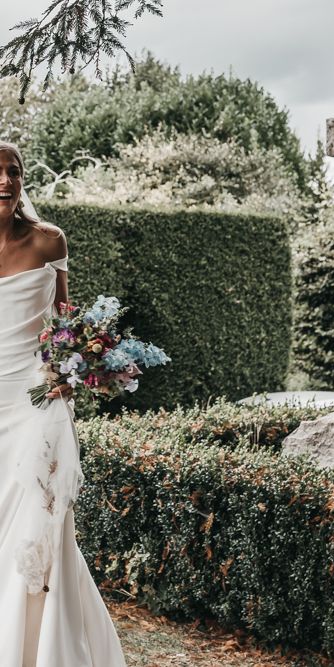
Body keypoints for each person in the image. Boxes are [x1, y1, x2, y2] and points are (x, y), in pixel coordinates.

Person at [0, 142, 127, 666]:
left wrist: (73, 370)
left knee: (39, 521)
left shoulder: (49, 242)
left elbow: (66, 323)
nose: (5, 180)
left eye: (13, 171)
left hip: (35, 403)